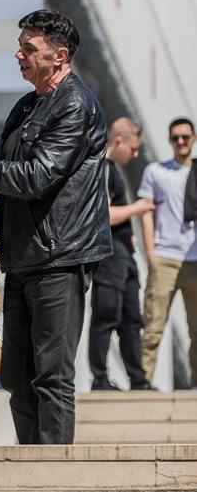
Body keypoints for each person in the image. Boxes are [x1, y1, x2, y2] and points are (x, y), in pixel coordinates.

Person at [0, 9, 110, 444]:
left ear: (59, 56)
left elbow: (36, 177)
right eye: (20, 47)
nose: (18, 55)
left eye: (29, 49)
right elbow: (4, 173)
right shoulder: (27, 106)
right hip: (21, 258)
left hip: (60, 258)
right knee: (15, 374)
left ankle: (52, 471)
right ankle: (30, 460)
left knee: (51, 374)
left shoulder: (75, 104)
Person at [89, 117, 156, 389]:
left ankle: (138, 380)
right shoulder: (101, 168)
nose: (136, 154)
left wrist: (130, 235)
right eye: (134, 148)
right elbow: (102, 214)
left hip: (124, 255)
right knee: (106, 316)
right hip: (109, 256)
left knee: (131, 319)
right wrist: (138, 208)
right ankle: (100, 379)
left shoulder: (114, 170)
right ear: (118, 141)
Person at [137, 116, 197, 386]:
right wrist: (151, 253)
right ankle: (143, 383)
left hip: (194, 260)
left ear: (193, 138)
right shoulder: (156, 172)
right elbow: (146, 212)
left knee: (196, 331)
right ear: (170, 140)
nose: (181, 142)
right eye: (176, 138)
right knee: (152, 328)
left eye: (185, 137)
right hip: (164, 258)